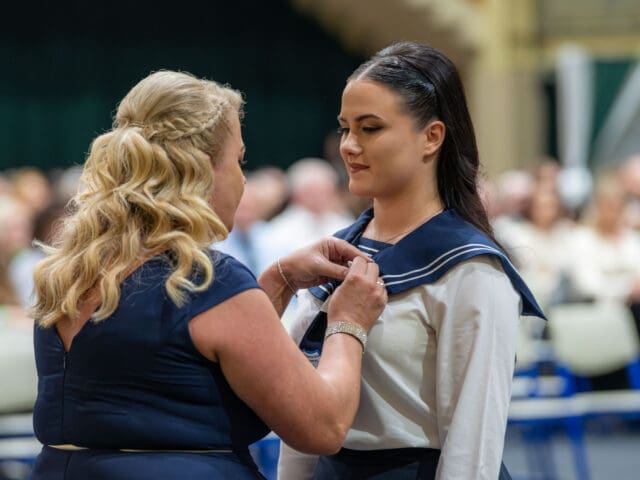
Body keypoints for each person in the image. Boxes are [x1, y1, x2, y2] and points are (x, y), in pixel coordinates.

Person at [26, 70, 387, 480]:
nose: (243, 178)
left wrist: (279, 279)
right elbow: (323, 427)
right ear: (204, 169)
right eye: (239, 160)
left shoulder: (70, 273)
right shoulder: (207, 283)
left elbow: (183, 356)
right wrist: (348, 321)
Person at [278, 42, 545, 480]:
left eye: (370, 128)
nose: (349, 146)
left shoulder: (470, 268)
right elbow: (305, 410)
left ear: (431, 137)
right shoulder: (332, 252)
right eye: (345, 128)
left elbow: (473, 445)